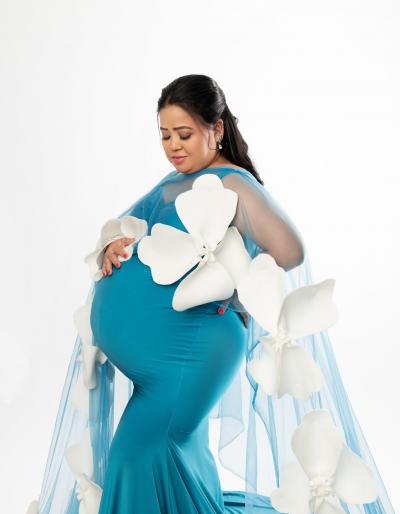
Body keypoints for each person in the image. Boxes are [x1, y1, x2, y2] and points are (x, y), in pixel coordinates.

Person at [26, 74, 395, 514]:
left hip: (193, 351)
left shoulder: (233, 184)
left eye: (183, 134)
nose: (173, 146)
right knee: (173, 456)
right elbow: (133, 231)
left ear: (216, 129)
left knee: (135, 453)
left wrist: (236, 285)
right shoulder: (173, 184)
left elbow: (290, 250)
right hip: (166, 359)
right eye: (164, 135)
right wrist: (112, 247)